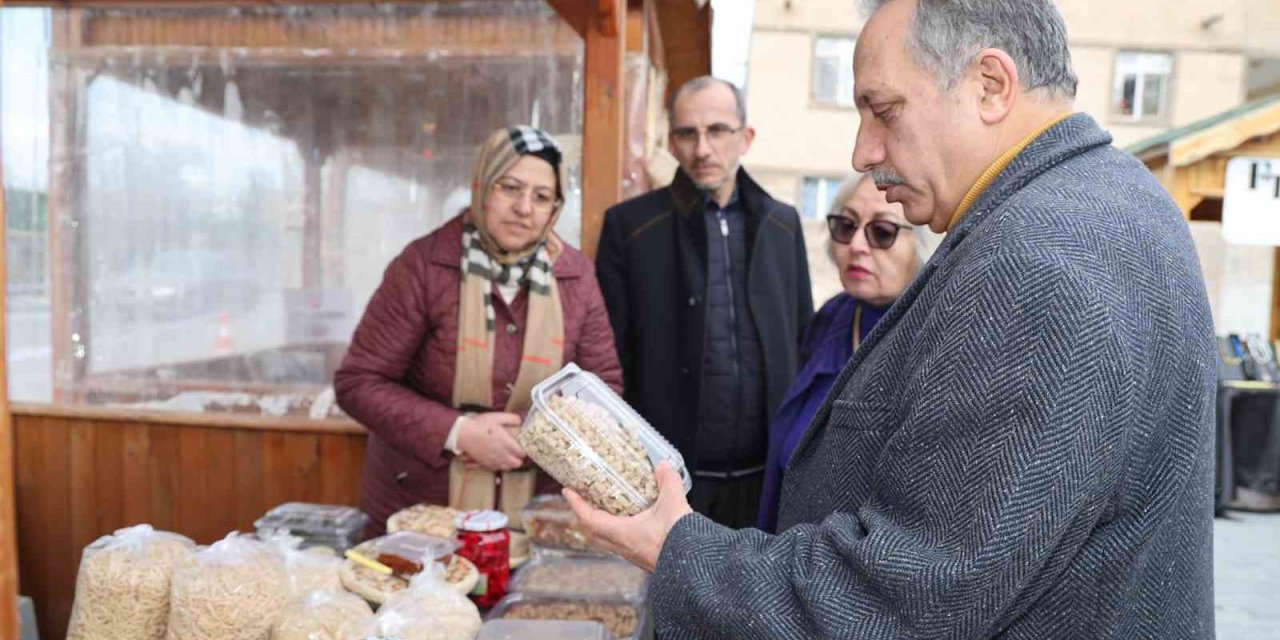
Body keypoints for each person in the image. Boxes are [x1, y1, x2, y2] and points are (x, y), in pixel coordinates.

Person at [567, 1, 1217, 637]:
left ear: (990, 85)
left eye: (883, 110)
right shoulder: (1119, 196)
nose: (862, 152)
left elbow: (899, 601)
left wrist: (678, 549)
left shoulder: (1036, 259)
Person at [335, 126, 622, 535]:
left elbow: (602, 387)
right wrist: (459, 433)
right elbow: (359, 382)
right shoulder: (423, 266)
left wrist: (533, 436)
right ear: (482, 187)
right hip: (423, 514)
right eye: (510, 188)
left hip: (534, 515)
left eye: (541, 197)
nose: (524, 207)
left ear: (554, 209)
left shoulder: (576, 277)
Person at [595, 76, 814, 528]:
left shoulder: (783, 226)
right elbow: (609, 364)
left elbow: (801, 344)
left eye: (717, 131)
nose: (702, 148)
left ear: (745, 137)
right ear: (671, 142)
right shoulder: (630, 228)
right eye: (687, 134)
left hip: (765, 486)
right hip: (666, 484)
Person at [757, 174, 941, 533]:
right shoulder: (834, 317)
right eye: (846, 225)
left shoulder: (935, 339)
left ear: (922, 244)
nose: (856, 244)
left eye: (882, 232)